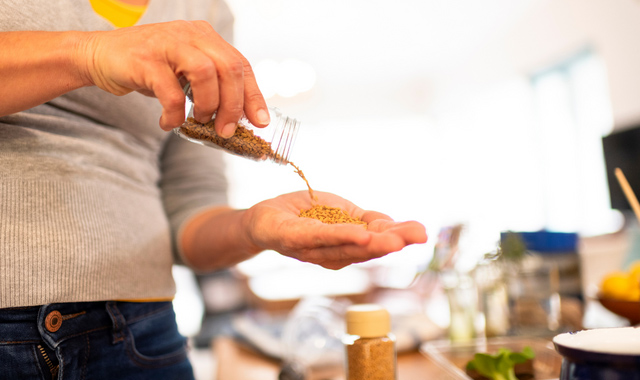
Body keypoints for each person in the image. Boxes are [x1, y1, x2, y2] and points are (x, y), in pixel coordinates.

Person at [0, 0, 427, 379]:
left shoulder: (204, 9)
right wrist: (90, 53)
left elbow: (191, 206)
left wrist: (254, 230)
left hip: (142, 332)